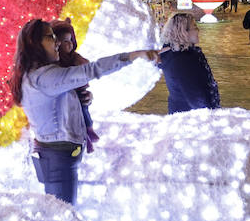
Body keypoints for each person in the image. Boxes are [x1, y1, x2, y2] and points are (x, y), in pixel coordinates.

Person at [11, 19, 157, 204]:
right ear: (35, 43)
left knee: (61, 212)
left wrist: (80, 100)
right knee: (62, 216)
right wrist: (133, 56)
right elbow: (91, 70)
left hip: (57, 154)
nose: (57, 43)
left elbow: (60, 101)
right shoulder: (44, 78)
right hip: (58, 157)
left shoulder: (40, 75)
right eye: (51, 37)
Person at [51, 18, 98, 152]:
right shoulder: (50, 66)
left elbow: (86, 67)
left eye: (71, 40)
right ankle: (86, 135)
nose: (69, 44)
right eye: (65, 41)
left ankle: (88, 130)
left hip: (78, 92)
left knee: (83, 110)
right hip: (58, 131)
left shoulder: (74, 58)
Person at [159, 12, 220, 111]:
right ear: (183, 31)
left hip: (183, 113)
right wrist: (209, 116)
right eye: (195, 27)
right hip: (190, 117)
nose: (198, 30)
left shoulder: (177, 54)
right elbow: (195, 97)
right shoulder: (182, 60)